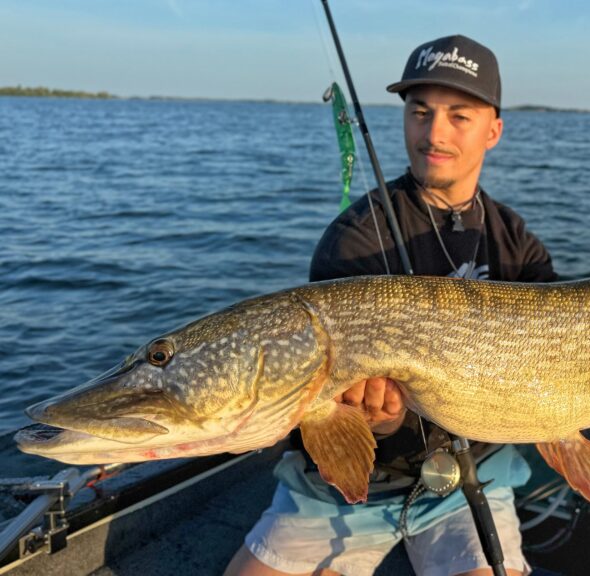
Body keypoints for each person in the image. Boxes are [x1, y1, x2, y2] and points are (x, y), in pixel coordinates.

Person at [225, 34, 556, 576]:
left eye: (459, 116)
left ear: (493, 130)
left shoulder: (515, 242)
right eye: (420, 112)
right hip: (345, 489)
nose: (434, 133)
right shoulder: (355, 240)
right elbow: (338, 419)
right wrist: (372, 421)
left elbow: (561, 356)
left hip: (475, 477)